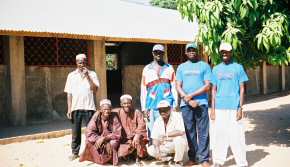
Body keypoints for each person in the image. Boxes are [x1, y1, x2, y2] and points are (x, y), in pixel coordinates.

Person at [210, 42, 249, 167]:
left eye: (227, 51)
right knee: (219, 134)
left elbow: (242, 88)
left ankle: (242, 162)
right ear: (220, 53)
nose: (225, 53)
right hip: (220, 107)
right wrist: (213, 109)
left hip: (234, 107)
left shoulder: (238, 67)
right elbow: (213, 89)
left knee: (236, 135)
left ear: (231, 52)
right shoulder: (216, 69)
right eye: (222, 51)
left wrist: (240, 108)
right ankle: (218, 160)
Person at [176, 43, 211, 167]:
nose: (191, 52)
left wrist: (191, 96)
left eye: (194, 50)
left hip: (201, 103)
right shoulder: (181, 67)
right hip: (186, 104)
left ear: (198, 51)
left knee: (203, 132)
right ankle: (193, 157)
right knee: (189, 132)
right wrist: (188, 99)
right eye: (189, 50)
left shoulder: (205, 66)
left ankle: (204, 158)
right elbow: (178, 86)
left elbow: (207, 86)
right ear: (186, 53)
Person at [64, 53, 99, 161]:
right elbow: (69, 93)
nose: (82, 64)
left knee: (91, 132)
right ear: (76, 63)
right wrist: (69, 108)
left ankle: (92, 153)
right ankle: (75, 152)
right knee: (75, 132)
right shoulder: (71, 75)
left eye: (83, 62)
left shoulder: (92, 74)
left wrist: (88, 76)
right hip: (75, 108)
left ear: (86, 62)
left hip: (89, 108)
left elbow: (95, 90)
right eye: (79, 62)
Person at [140, 44, 178, 142]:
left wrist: (175, 104)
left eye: (160, 52)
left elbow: (173, 87)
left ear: (163, 53)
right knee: (152, 130)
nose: (158, 54)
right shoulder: (147, 69)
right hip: (151, 105)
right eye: (156, 52)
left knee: (167, 128)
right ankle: (154, 151)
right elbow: (143, 89)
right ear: (153, 53)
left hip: (167, 104)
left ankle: (166, 151)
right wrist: (144, 108)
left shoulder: (169, 68)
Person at [79, 99, 122, 166]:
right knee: (88, 141)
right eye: (104, 109)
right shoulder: (96, 116)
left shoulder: (114, 116)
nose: (107, 111)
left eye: (108, 109)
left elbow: (117, 134)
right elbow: (89, 132)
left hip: (110, 139)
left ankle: (109, 160)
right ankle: (96, 158)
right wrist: (100, 139)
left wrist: (105, 139)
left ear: (111, 109)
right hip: (98, 138)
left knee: (113, 143)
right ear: (100, 110)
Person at [147, 100, 188, 167]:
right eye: (160, 110)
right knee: (151, 150)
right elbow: (154, 137)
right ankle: (169, 158)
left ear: (170, 109)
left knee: (179, 140)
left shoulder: (177, 116)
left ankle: (178, 161)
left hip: (175, 143)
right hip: (165, 144)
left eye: (165, 110)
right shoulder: (158, 120)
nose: (163, 112)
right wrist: (157, 151)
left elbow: (181, 131)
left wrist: (166, 135)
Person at [113, 94, 147, 164]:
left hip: (136, 138)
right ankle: (129, 154)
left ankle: (137, 156)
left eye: (128, 103)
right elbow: (105, 110)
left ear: (131, 103)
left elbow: (142, 125)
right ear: (121, 104)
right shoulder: (117, 112)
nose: (126, 105)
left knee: (139, 142)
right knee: (121, 152)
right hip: (124, 139)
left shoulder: (137, 112)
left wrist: (137, 135)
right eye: (124, 103)